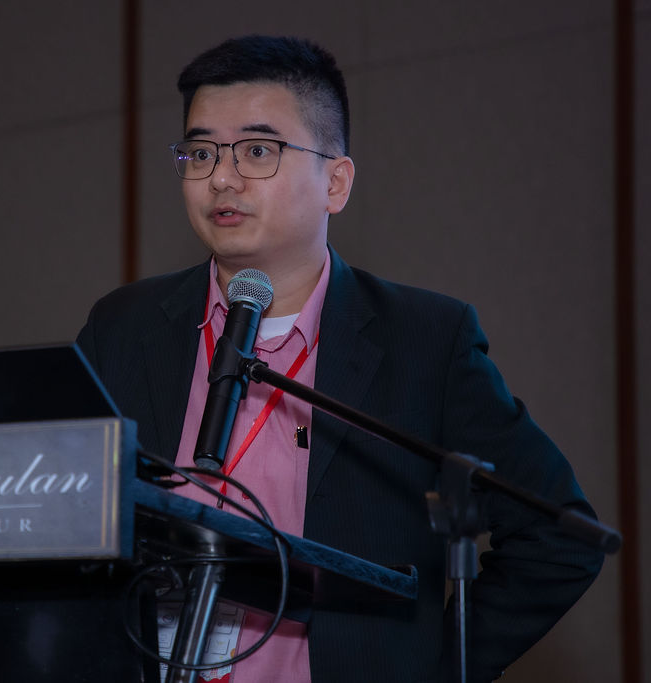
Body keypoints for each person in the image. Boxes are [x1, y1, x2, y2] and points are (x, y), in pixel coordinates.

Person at [77, 35, 603, 682]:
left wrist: (432, 668)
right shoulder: (124, 327)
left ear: (335, 181)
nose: (221, 178)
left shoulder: (424, 342)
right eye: (202, 152)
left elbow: (561, 536)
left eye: (258, 150)